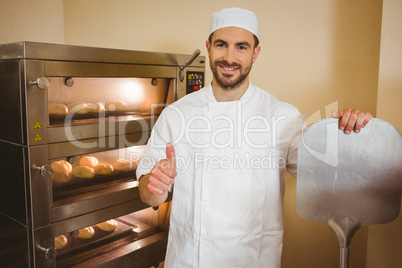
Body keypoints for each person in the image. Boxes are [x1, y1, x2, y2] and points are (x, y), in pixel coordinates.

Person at [137, 7, 372, 268]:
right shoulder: (176, 115)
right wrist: (155, 187)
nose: (229, 57)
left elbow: (329, 180)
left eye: (241, 47)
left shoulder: (283, 118)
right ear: (208, 47)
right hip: (190, 260)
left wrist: (353, 133)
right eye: (221, 45)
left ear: (255, 53)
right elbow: (148, 195)